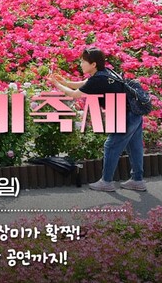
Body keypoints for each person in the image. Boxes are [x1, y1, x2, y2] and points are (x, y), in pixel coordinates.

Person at [51, 48, 146, 192]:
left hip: (123, 113)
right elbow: (83, 84)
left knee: (111, 146)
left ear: (93, 64)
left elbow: (75, 94)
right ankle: (137, 180)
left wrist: (56, 84)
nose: (81, 64)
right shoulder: (105, 73)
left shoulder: (98, 79)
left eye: (83, 61)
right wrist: (64, 81)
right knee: (134, 146)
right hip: (134, 111)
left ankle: (106, 182)